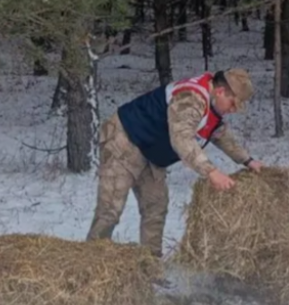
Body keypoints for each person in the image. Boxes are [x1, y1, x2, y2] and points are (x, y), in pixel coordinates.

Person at [86, 69, 263, 259]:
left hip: (151, 151)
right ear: (220, 91)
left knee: (156, 208)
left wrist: (247, 160)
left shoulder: (211, 106)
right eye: (233, 103)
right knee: (110, 208)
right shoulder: (191, 98)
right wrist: (211, 171)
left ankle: (150, 265)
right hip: (125, 140)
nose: (233, 110)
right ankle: (93, 263)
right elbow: (181, 139)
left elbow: (220, 134)